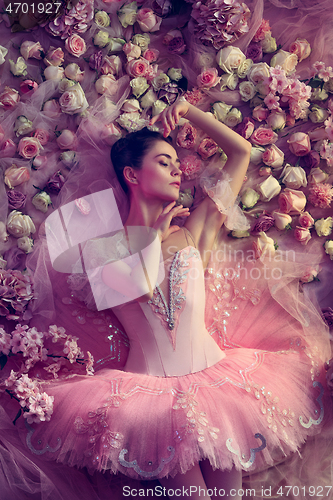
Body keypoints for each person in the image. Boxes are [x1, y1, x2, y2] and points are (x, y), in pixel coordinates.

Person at [12, 99, 332, 499]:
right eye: (164, 162)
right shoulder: (97, 250)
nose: (178, 168)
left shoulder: (194, 232)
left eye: (176, 161)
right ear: (132, 174)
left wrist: (188, 111)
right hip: (150, 402)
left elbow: (241, 153)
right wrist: (150, 238)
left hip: (221, 384)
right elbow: (140, 286)